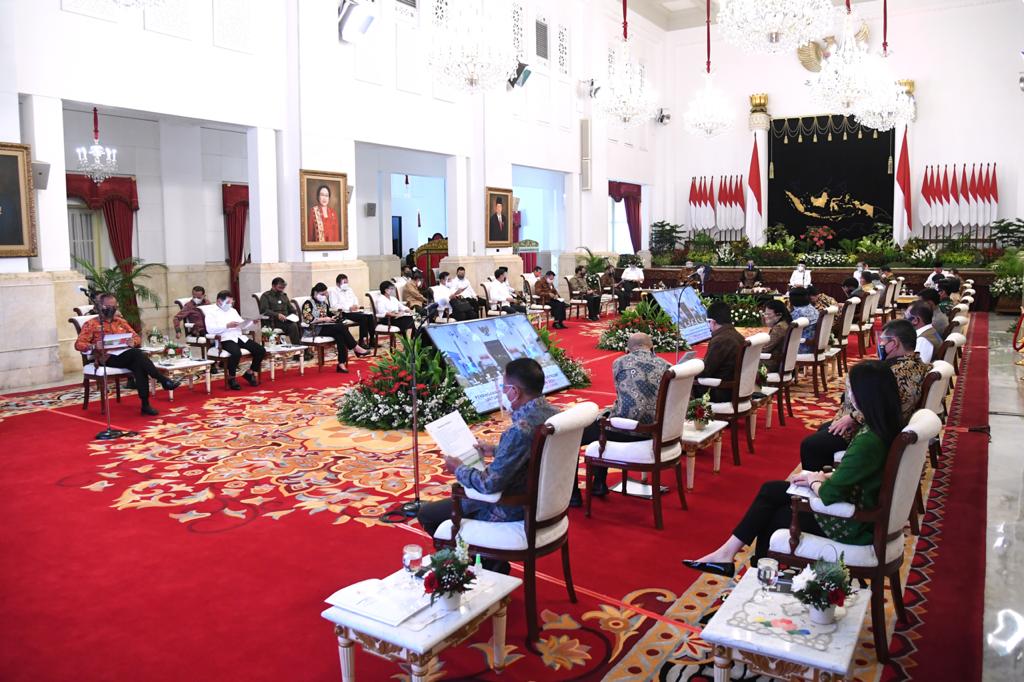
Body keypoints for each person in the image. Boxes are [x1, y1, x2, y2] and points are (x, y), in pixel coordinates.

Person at [684, 360, 905, 575]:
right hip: (860, 506)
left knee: (776, 514)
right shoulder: (883, 427)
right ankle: (730, 557)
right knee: (772, 492)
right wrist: (825, 476)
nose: (848, 396)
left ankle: (754, 573)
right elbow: (858, 475)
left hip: (854, 525)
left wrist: (815, 480)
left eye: (851, 390)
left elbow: (829, 494)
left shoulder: (868, 440)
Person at [417, 358, 559, 574]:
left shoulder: (520, 429)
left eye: (504, 387)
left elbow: (489, 484)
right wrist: (496, 449)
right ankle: (490, 562)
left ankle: (486, 562)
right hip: (548, 501)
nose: (503, 392)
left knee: (429, 514)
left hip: (512, 508)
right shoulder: (554, 414)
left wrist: (458, 468)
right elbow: (535, 452)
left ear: (514, 391)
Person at [799, 319, 929, 471]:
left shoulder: (894, 372)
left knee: (811, 445)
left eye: (883, 341)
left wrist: (854, 417)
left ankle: (816, 488)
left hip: (872, 429)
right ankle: (830, 476)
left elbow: (885, 407)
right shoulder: (916, 363)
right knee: (824, 429)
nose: (880, 345)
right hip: (874, 421)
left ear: (893, 343)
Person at [569, 333, 670, 507]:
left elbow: (624, 397)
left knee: (573, 435)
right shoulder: (667, 366)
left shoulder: (620, 363)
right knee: (603, 422)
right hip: (654, 431)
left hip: (626, 431)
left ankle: (573, 494)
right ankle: (598, 483)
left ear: (627, 350)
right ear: (652, 347)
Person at [74, 292, 181, 416]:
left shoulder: (120, 322)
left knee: (139, 364)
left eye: (114, 306)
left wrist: (133, 342)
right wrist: (93, 346)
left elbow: (137, 337)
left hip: (126, 354)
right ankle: (162, 379)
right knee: (138, 355)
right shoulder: (91, 324)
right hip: (107, 358)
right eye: (108, 306)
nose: (112, 309)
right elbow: (78, 344)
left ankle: (145, 405)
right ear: (100, 306)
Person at [302, 283, 369, 373]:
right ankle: (355, 347)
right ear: (315, 293)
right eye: (322, 294)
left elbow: (330, 314)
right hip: (314, 329)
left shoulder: (323, 303)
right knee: (341, 328)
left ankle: (341, 364)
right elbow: (308, 319)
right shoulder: (308, 303)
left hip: (326, 327)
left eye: (325, 294)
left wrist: (334, 318)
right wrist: (324, 319)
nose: (324, 296)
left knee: (340, 335)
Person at [206, 290, 266, 389]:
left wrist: (251, 322)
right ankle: (231, 378)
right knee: (236, 353)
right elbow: (210, 329)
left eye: (231, 302)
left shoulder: (233, 311)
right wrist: (226, 326)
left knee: (260, 350)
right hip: (224, 338)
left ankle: (249, 373)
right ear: (219, 301)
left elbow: (241, 324)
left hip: (238, 336)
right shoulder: (211, 313)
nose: (230, 304)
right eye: (228, 302)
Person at [693, 301, 744, 403]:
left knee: (681, 384)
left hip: (720, 392)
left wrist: (689, 371)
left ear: (713, 322)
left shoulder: (720, 340)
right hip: (735, 389)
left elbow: (705, 371)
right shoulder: (738, 336)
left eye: (708, 322)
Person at [259, 277, 305, 355]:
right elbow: (264, 310)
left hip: (286, 320)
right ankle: (298, 351)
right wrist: (277, 315)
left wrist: (294, 314)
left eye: (283, 288)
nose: (281, 290)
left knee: (299, 324)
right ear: (273, 286)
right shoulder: (266, 296)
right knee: (293, 326)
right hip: (273, 321)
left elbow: (290, 308)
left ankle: (303, 349)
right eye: (279, 287)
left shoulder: (283, 295)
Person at [328, 273, 375, 347]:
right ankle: (362, 340)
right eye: (344, 282)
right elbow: (334, 305)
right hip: (343, 312)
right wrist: (348, 308)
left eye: (347, 282)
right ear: (337, 283)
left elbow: (355, 298)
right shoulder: (333, 291)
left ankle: (372, 339)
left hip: (354, 311)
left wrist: (355, 305)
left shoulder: (349, 289)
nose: (346, 284)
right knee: (363, 318)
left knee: (369, 316)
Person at [760, 300, 792, 374]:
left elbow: (765, 349)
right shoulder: (785, 323)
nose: (765, 317)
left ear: (779, 315)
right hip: (780, 361)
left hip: (772, 364)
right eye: (765, 314)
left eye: (768, 314)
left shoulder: (779, 328)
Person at [789, 287, 820, 354]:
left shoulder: (797, 313)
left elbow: (788, 330)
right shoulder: (812, 309)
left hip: (801, 346)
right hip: (813, 345)